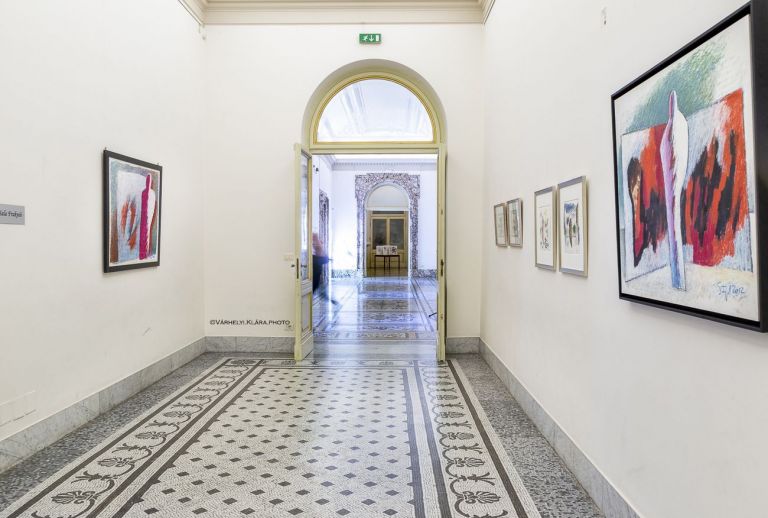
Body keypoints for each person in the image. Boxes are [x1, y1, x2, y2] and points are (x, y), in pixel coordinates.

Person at [312, 233, 338, 305]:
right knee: (321, 292)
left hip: (316, 277)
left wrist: (320, 249)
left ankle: (332, 300)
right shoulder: (314, 252)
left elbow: (324, 260)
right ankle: (332, 300)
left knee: (321, 291)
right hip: (315, 277)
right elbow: (324, 259)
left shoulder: (316, 251)